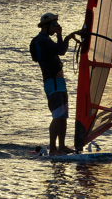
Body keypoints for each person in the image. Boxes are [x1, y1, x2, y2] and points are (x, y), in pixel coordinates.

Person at [30, 12, 83, 155]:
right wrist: (62, 36)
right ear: (46, 26)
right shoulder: (42, 40)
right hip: (52, 82)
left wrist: (66, 36)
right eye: (54, 24)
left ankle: (62, 146)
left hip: (58, 82)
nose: (57, 26)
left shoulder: (46, 39)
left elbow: (62, 49)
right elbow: (61, 50)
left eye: (57, 24)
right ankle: (53, 149)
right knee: (57, 116)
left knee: (63, 116)